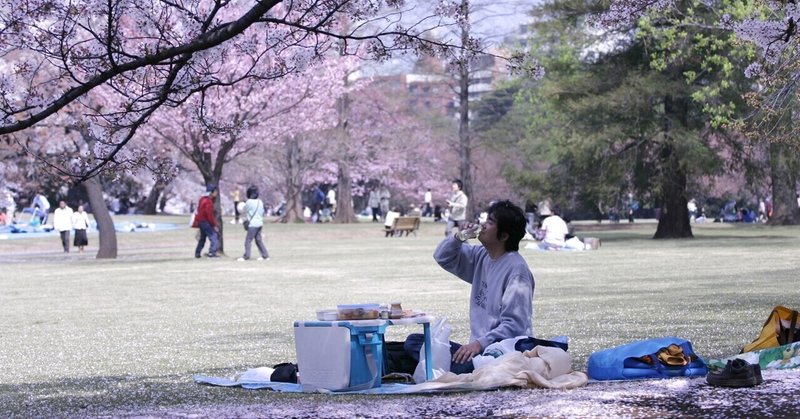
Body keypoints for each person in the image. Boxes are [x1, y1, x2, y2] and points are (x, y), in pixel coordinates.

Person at [404, 200, 534, 374]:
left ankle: (448, 367)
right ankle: (443, 365)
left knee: (432, 355)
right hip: (476, 350)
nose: (482, 225)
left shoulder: (517, 271)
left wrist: (479, 344)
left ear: (503, 236)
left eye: (490, 222)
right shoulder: (483, 255)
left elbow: (515, 326)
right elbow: (443, 257)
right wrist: (459, 238)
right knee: (415, 342)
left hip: (501, 354)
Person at [237, 185, 270, 261]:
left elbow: (244, 209)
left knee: (248, 240)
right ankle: (265, 255)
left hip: (252, 224)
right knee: (259, 240)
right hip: (260, 223)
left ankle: (246, 256)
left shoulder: (249, 202)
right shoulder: (260, 202)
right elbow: (262, 212)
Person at [192, 184, 219, 258]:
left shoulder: (202, 199)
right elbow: (209, 215)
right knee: (214, 236)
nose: (216, 193)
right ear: (212, 192)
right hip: (206, 222)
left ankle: (197, 253)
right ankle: (212, 253)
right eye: (215, 191)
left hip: (201, 221)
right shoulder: (208, 202)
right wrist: (214, 225)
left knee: (202, 239)